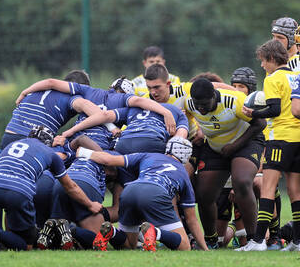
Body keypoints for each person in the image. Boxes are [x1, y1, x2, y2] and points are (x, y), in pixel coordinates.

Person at [0, 125, 103, 251]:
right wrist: (90, 204)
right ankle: (0, 234)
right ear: (49, 143)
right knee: (26, 245)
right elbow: (70, 186)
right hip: (18, 192)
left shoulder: (11, 145)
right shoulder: (51, 153)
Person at [77, 136, 208, 252]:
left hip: (129, 191)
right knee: (185, 246)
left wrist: (83, 152)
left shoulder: (148, 155)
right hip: (156, 192)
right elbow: (191, 219)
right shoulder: (183, 173)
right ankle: (155, 233)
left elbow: (109, 160)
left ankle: (111, 232)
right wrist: (205, 248)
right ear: (186, 157)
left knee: (129, 245)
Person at [186, 78, 266, 249]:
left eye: (205, 104)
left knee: (242, 182)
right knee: (204, 193)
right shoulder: (190, 102)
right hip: (216, 147)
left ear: (214, 97)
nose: (200, 108)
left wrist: (235, 146)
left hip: (245, 142)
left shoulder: (234, 101)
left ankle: (255, 240)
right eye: (197, 104)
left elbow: (260, 123)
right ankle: (210, 240)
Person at [237, 39, 300, 251]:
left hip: (280, 137)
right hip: (298, 138)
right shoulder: (296, 76)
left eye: (264, 61)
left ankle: (257, 242)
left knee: (268, 188)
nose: (263, 66)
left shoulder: (273, 79)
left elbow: (274, 109)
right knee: (295, 190)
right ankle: (298, 242)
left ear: (272, 59)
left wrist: (253, 113)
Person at [15, 76, 176, 137]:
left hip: (74, 141)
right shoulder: (124, 100)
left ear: (110, 86)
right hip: (101, 145)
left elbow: (51, 82)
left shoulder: (87, 90)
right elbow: (140, 102)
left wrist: (25, 91)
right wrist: (165, 111)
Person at [0, 70, 101, 149]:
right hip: (34, 143)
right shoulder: (72, 97)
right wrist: (111, 125)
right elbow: (89, 108)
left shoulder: (35, 90)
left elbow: (50, 82)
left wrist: (23, 92)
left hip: (9, 136)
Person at [59, 102, 189, 155]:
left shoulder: (133, 107)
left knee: (117, 174)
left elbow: (103, 115)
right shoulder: (177, 111)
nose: (154, 92)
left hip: (124, 145)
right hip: (153, 144)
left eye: (156, 87)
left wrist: (72, 130)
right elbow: (179, 141)